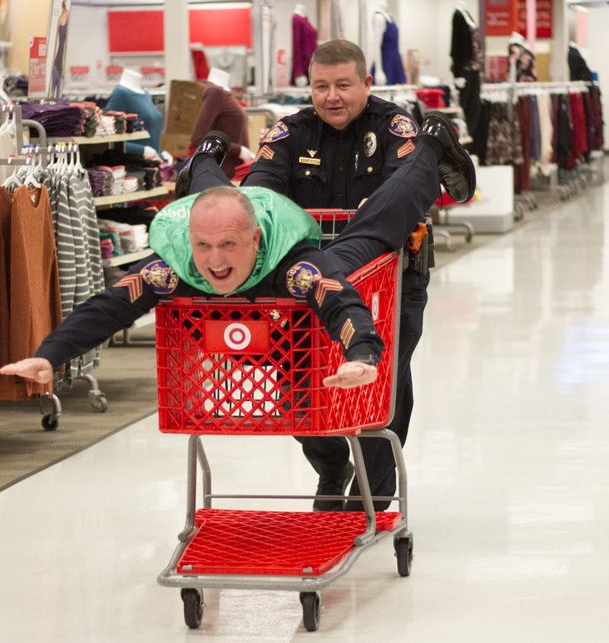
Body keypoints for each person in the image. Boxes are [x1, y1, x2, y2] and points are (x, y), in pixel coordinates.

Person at [0, 122, 453, 444]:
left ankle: (432, 147)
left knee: (372, 229)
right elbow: (111, 305)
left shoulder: (296, 265)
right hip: (224, 214)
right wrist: (50, 355)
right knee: (209, 198)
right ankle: (205, 161)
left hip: (283, 231)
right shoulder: (178, 264)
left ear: (254, 239)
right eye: (204, 247)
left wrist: (362, 354)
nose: (214, 263)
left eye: (229, 246)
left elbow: (341, 302)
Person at [175, 39, 475, 512]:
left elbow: (402, 197)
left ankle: (368, 500)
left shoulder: (393, 126)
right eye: (321, 87)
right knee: (297, 379)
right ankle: (333, 463)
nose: (331, 96)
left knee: (382, 385)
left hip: (383, 275)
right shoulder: (289, 133)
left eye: (343, 85)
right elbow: (261, 197)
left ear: (367, 84)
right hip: (303, 282)